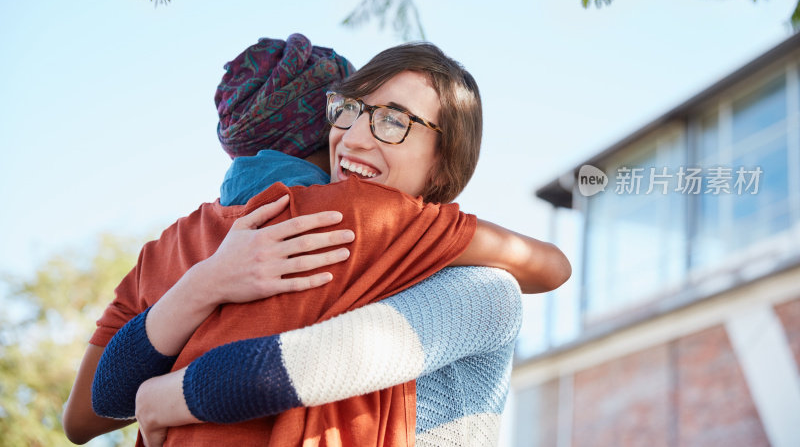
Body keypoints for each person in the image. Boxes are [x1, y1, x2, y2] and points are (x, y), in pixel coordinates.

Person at [64, 36, 571, 446]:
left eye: (394, 121)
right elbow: (551, 265)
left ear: (447, 155)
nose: (353, 138)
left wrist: (159, 391)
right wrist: (208, 283)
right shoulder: (362, 219)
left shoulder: (171, 246)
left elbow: (94, 408)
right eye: (348, 110)